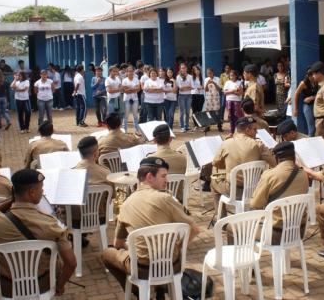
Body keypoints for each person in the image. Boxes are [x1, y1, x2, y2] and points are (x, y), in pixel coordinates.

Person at [100, 157, 200, 294]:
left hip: (143, 270)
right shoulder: (166, 198)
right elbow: (194, 229)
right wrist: (179, 248)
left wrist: (134, 249)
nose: (167, 180)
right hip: (172, 265)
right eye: (163, 176)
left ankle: (136, 291)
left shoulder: (126, 204)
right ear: (149, 177)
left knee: (107, 253)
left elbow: (117, 244)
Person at [0, 169, 77, 296]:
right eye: (41, 188)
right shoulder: (51, 224)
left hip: (7, 285)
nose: (42, 191)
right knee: (58, 264)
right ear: (32, 192)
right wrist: (60, 286)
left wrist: (13, 199)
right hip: (41, 284)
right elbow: (71, 263)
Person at [208, 116, 276, 212]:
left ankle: (221, 219)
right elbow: (274, 163)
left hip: (233, 190)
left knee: (213, 184)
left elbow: (216, 163)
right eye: (255, 129)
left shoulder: (227, 143)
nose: (256, 132)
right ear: (247, 130)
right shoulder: (258, 145)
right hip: (255, 189)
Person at [250, 141, 309, 244]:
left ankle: (244, 258)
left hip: (275, 233)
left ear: (277, 158)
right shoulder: (304, 174)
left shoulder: (270, 175)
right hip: (299, 231)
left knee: (232, 228)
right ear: (294, 157)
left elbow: (255, 204)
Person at [147, 124, 187, 202]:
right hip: (177, 200)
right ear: (170, 139)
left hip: (156, 201)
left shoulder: (149, 159)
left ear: (154, 140)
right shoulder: (182, 158)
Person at [292, 70, 319, 137]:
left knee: (318, 126)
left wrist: (311, 98)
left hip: (316, 105)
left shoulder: (317, 82)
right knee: (311, 128)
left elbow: (320, 94)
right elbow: (296, 94)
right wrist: (295, 109)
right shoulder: (304, 83)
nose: (312, 78)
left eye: (313, 75)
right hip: (308, 107)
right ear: (307, 76)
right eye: (310, 76)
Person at [122, 66, 140, 132]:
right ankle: (125, 130)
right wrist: (133, 88)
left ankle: (137, 130)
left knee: (135, 115)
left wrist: (129, 88)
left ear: (134, 72)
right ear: (127, 72)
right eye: (129, 71)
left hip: (135, 99)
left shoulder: (136, 79)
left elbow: (138, 89)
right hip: (126, 99)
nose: (130, 72)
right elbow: (124, 90)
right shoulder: (124, 80)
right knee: (126, 115)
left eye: (132, 71)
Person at [176, 63, 194, 132]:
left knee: (187, 112)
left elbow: (192, 87)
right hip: (181, 96)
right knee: (182, 112)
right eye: (182, 68)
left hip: (189, 96)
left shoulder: (190, 76)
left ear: (186, 68)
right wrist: (188, 87)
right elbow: (180, 88)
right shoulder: (178, 77)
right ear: (180, 69)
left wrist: (185, 87)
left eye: (184, 68)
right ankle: (182, 126)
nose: (183, 69)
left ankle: (186, 126)